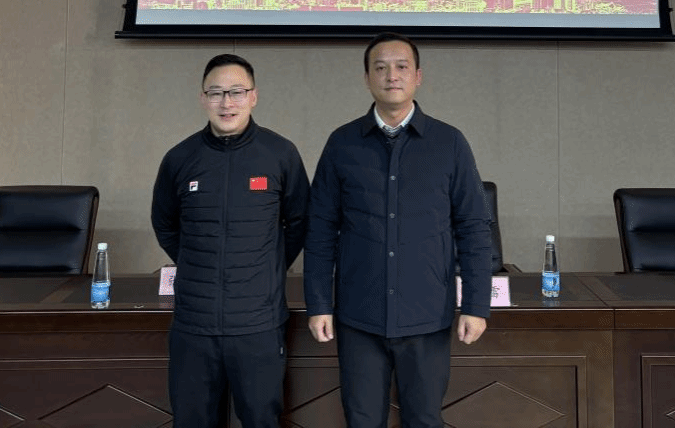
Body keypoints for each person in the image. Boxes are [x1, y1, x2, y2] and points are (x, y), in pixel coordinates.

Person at [303, 32, 492, 428]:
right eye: (381, 67)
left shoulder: (449, 143)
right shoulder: (342, 144)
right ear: (366, 78)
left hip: (427, 315)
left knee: (424, 420)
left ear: (418, 76)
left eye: (402, 67)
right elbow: (320, 229)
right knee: (362, 421)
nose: (392, 76)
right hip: (359, 316)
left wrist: (476, 305)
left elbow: (473, 228)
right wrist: (319, 303)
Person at [151, 53, 310, 428]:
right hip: (194, 325)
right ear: (202, 98)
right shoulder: (180, 158)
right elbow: (165, 224)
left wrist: (266, 266)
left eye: (237, 92)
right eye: (216, 93)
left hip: (258, 324)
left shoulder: (280, 154)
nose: (227, 103)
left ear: (253, 96)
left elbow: (301, 222)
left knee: (261, 419)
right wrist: (197, 262)